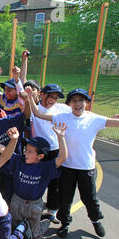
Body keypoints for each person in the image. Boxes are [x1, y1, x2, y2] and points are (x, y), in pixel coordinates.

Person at [27, 88, 119, 238]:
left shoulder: (95, 119)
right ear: (69, 104)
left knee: (89, 198)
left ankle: (95, 220)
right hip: (67, 166)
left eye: (81, 100)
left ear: (86, 103)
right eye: (74, 101)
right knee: (65, 197)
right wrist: (31, 97)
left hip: (86, 167)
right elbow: (38, 114)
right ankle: (65, 223)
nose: (78, 104)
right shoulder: (61, 117)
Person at [6, 123, 68, 239]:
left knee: (35, 236)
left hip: (34, 204)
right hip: (17, 201)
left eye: (29, 151)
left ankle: (46, 221)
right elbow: (5, 151)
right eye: (25, 150)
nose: (25, 153)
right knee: (14, 229)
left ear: (40, 156)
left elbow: (62, 158)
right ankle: (25, 224)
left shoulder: (46, 167)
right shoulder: (20, 161)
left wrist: (61, 137)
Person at [27, 84, 71, 223]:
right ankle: (33, 205)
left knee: (54, 182)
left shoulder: (62, 109)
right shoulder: (35, 108)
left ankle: (52, 209)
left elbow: (79, 112)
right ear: (42, 94)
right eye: (50, 96)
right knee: (36, 179)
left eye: (56, 97)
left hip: (55, 149)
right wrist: (28, 95)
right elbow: (31, 111)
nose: (52, 99)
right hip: (39, 151)